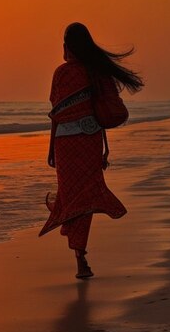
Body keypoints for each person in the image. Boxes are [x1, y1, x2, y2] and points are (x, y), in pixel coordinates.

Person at [39, 22, 144, 278]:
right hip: (89, 141)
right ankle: (79, 254)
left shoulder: (61, 73)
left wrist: (51, 149)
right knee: (82, 198)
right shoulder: (97, 72)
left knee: (75, 197)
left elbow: (56, 114)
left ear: (68, 46)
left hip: (66, 144)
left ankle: (79, 255)